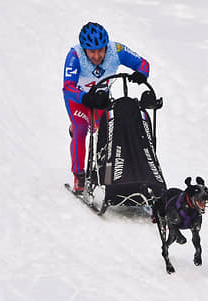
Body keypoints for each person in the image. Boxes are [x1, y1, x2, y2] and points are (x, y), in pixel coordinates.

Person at [62, 22, 151, 193]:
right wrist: (85, 97)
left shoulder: (116, 50)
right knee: (82, 129)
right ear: (84, 49)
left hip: (102, 100)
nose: (96, 56)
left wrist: (141, 74)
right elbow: (68, 87)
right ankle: (79, 174)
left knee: (101, 129)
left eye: (100, 50)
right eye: (91, 51)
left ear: (106, 46)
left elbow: (143, 64)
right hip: (79, 101)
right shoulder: (74, 56)